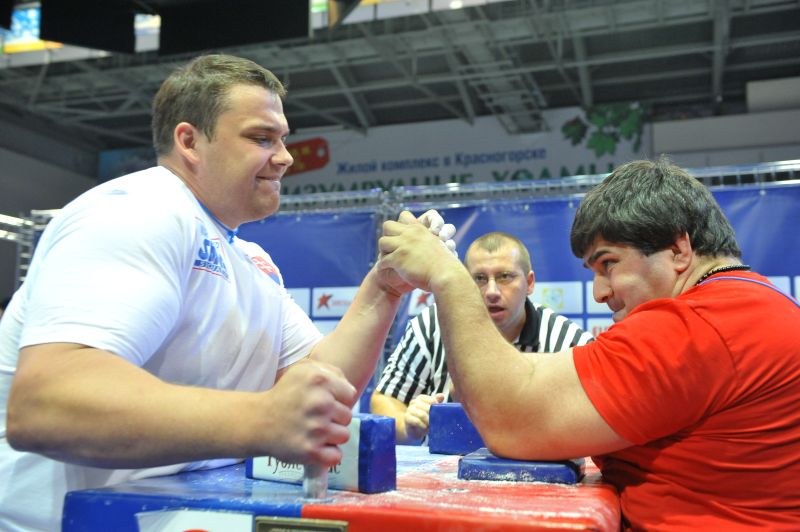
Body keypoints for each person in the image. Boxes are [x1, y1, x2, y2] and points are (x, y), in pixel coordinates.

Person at [0, 54, 454, 532]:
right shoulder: (138, 213)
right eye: (261, 138)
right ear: (189, 141)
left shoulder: (250, 260)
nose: (285, 157)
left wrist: (384, 286)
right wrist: (260, 420)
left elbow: (318, 384)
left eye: (283, 138)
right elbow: (48, 404)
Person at [377, 157, 800, 529]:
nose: (599, 292)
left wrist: (448, 278)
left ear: (678, 249)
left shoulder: (701, 324)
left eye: (609, 264)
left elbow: (513, 421)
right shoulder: (741, 304)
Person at [370, 231, 592, 443]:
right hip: (443, 474)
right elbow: (385, 400)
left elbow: (595, 419)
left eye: (505, 277)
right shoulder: (430, 326)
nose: (492, 291)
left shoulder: (569, 342)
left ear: (529, 283)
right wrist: (409, 426)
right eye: (479, 278)